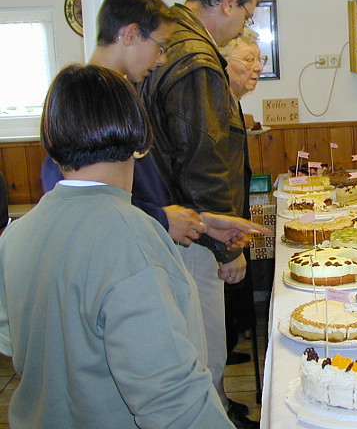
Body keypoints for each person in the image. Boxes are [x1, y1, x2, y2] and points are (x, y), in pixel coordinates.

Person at [0, 64, 236, 428]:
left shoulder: (17, 234)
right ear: (142, 142)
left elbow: (13, 342)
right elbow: (170, 395)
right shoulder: (131, 235)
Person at [140, 0, 266, 427]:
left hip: (175, 223)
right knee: (206, 353)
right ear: (228, 1)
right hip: (195, 231)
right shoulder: (197, 59)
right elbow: (203, 159)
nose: (242, 27)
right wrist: (225, 247)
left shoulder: (171, 36)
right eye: (246, 15)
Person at [219, 29, 266, 365]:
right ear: (223, 63)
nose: (258, 67)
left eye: (259, 59)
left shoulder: (232, 103)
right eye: (248, 60)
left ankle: (229, 343)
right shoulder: (218, 106)